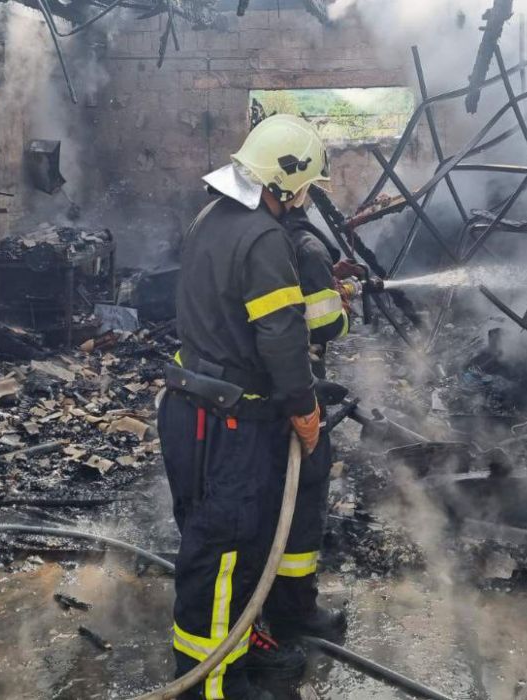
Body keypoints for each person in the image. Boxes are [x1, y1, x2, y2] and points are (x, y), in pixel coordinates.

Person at [158, 114, 330, 699]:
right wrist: (304, 408)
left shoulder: (212, 216)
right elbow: (281, 336)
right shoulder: (264, 239)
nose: (305, 197)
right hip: (229, 420)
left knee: (231, 545)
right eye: (306, 186)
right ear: (288, 183)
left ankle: (239, 643)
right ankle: (210, 687)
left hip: (196, 408)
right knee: (222, 551)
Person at [261, 205, 350, 644]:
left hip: (260, 391)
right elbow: (325, 325)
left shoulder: (260, 239)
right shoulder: (309, 248)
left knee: (267, 496)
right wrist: (342, 304)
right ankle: (295, 610)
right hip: (298, 385)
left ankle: (264, 599)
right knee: (305, 493)